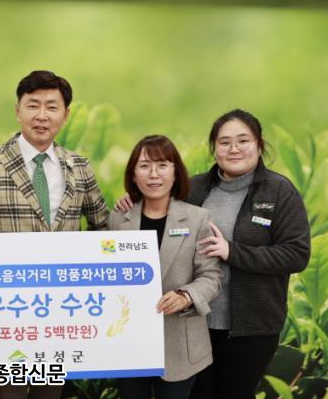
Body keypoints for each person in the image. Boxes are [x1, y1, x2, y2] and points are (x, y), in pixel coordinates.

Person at [116, 109, 311, 399]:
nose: (234, 149)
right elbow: (156, 210)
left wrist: (233, 252)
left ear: (259, 145)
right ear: (214, 148)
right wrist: (133, 199)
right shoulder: (193, 188)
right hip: (191, 323)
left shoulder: (278, 191)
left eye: (243, 141)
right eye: (224, 142)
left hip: (250, 327)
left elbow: (297, 254)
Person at [0, 70, 109, 399]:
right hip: (7, 307)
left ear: (66, 115)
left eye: (51, 107)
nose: (42, 115)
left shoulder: (79, 166)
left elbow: (102, 227)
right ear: (18, 111)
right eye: (33, 105)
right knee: (11, 393)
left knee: (50, 393)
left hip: (61, 307)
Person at [109, 135, 221, 399]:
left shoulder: (198, 218)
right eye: (144, 166)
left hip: (179, 345)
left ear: (175, 172)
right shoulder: (118, 219)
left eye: (162, 165)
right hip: (129, 341)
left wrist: (186, 296)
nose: (154, 174)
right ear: (133, 174)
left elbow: (211, 276)